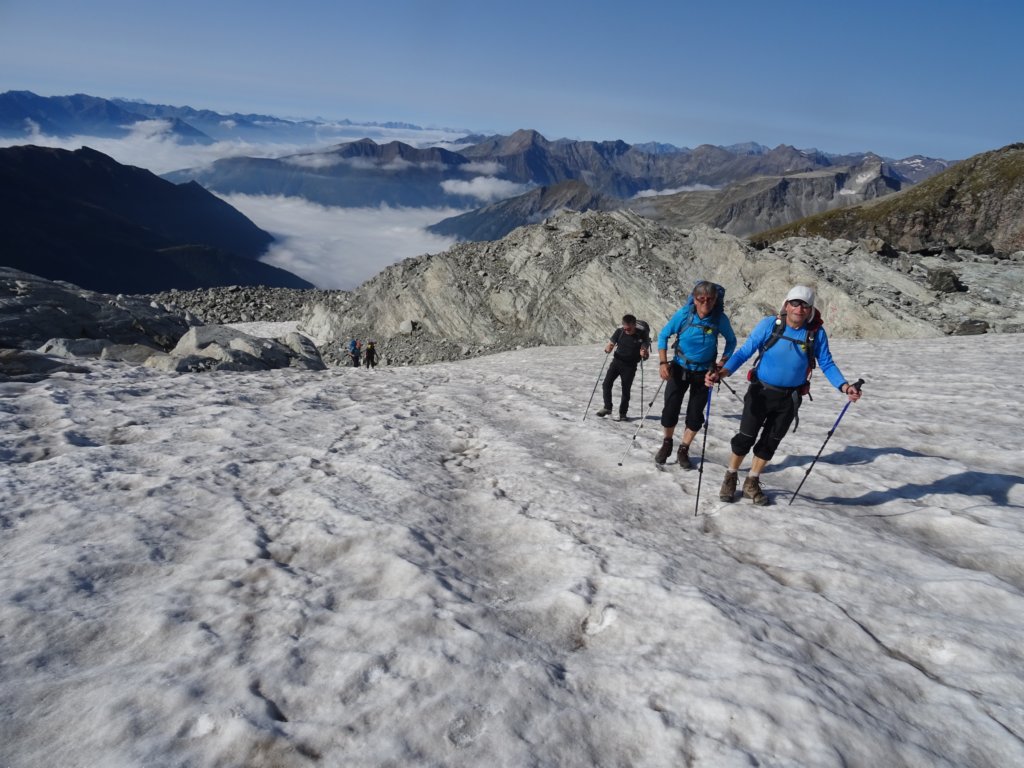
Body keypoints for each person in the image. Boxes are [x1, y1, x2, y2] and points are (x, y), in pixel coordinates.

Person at [706, 285, 863, 505]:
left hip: (790, 399)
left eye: (805, 305)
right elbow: (744, 352)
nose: (799, 309)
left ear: (810, 310)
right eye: (795, 303)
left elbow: (826, 363)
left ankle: (752, 481)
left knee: (770, 442)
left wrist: (845, 387)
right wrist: (722, 373)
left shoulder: (815, 334)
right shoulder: (769, 325)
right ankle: (730, 476)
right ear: (786, 305)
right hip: (760, 392)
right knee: (746, 437)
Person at [654, 281, 736, 468]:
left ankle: (684, 448)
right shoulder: (684, 314)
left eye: (710, 299)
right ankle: (667, 442)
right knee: (670, 410)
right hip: (679, 368)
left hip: (705, 373)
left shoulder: (719, 318)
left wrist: (721, 364)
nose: (706, 303)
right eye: (701, 299)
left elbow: (731, 341)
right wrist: (663, 363)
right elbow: (663, 335)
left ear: (716, 300)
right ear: (694, 299)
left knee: (695, 414)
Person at [597, 314, 651, 421]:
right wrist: (608, 348)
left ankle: (623, 413)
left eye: (628, 329)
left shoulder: (641, 335)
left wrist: (644, 354)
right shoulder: (619, 332)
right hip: (616, 362)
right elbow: (611, 343)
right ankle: (607, 407)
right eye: (624, 328)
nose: (626, 330)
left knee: (625, 389)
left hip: (630, 366)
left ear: (634, 325)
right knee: (606, 384)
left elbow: (645, 354)